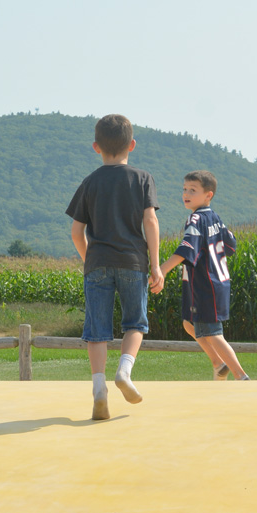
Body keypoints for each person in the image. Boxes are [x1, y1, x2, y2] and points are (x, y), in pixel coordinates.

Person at [66, 114, 163, 420]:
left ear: (96, 147)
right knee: (135, 323)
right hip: (133, 262)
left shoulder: (90, 182)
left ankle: (98, 388)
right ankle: (124, 371)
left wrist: (88, 258)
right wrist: (156, 266)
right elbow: (150, 221)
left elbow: (76, 231)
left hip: (97, 263)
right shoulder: (142, 178)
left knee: (96, 331)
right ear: (131, 145)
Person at [151, 170, 249, 381]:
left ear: (208, 195)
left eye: (193, 190)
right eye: (185, 189)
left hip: (206, 285)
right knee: (189, 323)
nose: (186, 193)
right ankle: (218, 363)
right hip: (217, 282)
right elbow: (231, 245)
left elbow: (186, 248)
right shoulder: (215, 218)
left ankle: (241, 376)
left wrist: (161, 270)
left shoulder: (195, 218)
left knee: (213, 333)